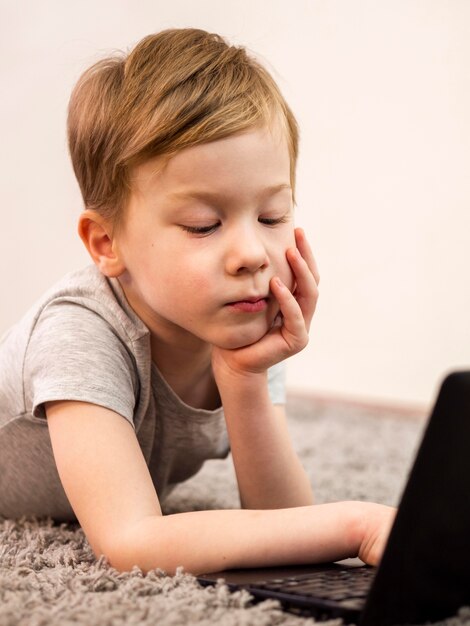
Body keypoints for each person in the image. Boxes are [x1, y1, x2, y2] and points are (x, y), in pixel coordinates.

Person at [0, 28, 395, 575]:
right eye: (204, 225)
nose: (252, 254)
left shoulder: (240, 318)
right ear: (106, 243)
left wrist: (245, 377)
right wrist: (358, 524)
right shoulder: (79, 332)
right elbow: (128, 541)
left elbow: (282, 519)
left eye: (273, 216)